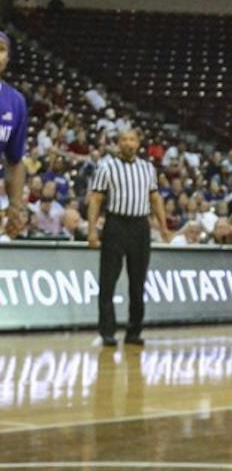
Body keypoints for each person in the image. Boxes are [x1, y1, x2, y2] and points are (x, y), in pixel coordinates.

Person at [87, 129, 167, 348]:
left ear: (138, 143)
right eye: (124, 139)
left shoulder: (148, 168)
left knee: (138, 282)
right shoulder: (106, 167)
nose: (128, 143)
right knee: (108, 281)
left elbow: (155, 198)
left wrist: (164, 226)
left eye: (132, 139)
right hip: (116, 224)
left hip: (140, 226)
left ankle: (134, 331)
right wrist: (92, 230)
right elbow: (96, 199)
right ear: (118, 143)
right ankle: (107, 332)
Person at [0, 32, 28, 241]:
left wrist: (15, 206)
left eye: (1, 50)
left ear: (8, 58)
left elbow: (15, 161)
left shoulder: (16, 102)